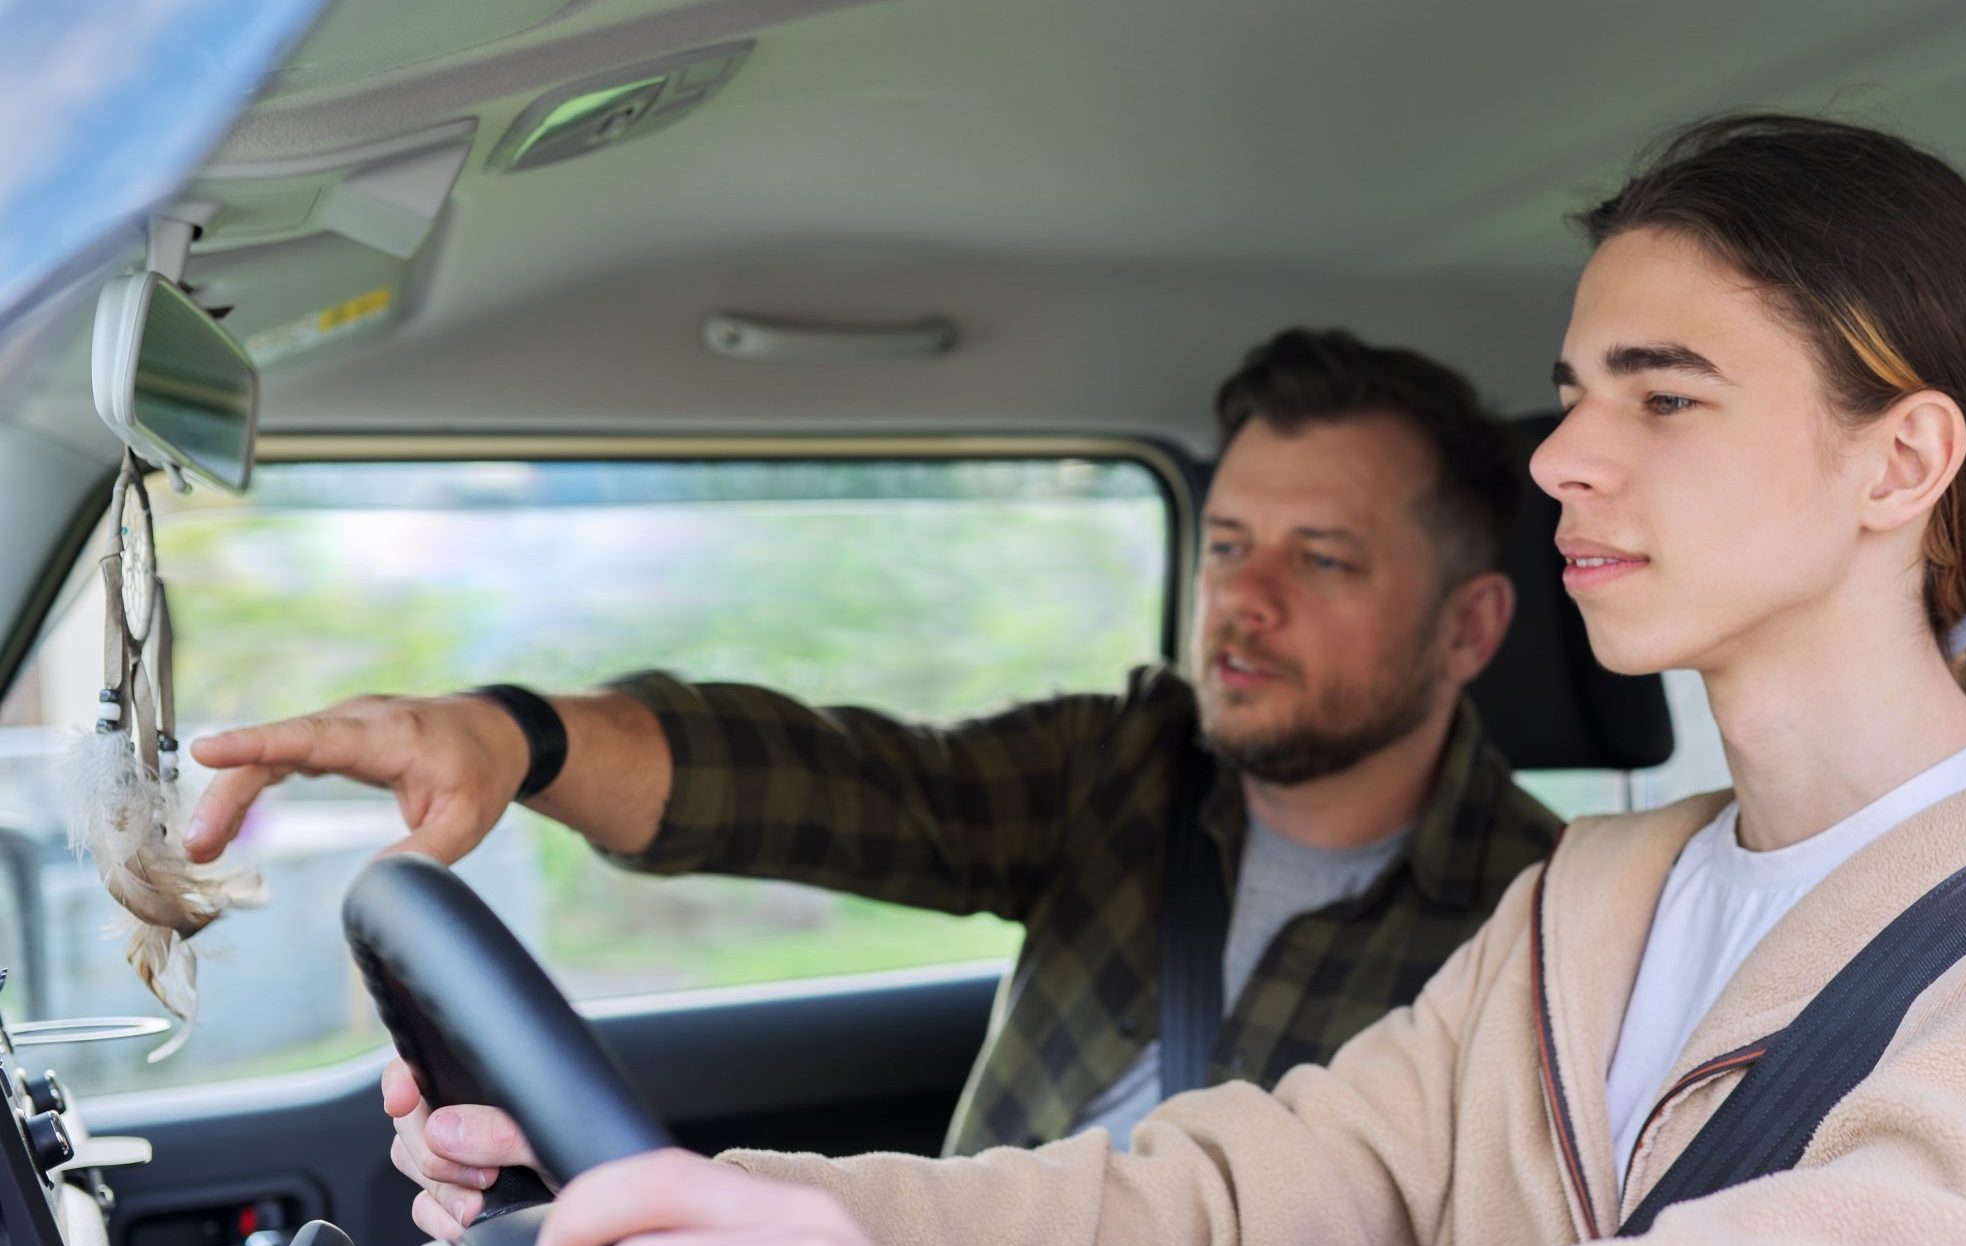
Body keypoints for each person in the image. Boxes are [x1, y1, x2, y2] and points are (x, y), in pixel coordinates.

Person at [388, 114, 1966, 1246]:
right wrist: (695, 1198)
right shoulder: (1587, 907)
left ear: (1895, 463)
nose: (1566, 457)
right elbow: (1218, 1184)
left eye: (1659, 397)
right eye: (1575, 393)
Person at [185, 326, 1563, 1165]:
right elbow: (833, 784)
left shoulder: (1553, 926)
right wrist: (515, 737)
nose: (1244, 603)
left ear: (1469, 628)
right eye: (1226, 546)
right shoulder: (1129, 771)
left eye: (1322, 561)